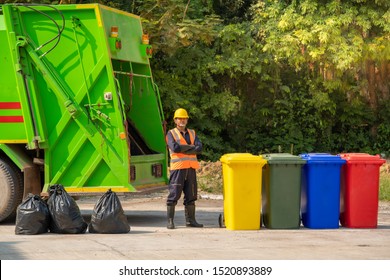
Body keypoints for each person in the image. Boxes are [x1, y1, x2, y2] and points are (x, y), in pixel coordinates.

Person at [165, 108, 203, 229]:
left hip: (190, 169)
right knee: (174, 194)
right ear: (175, 120)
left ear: (187, 120)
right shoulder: (171, 133)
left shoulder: (192, 133)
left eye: (184, 118)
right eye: (180, 118)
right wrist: (191, 148)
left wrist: (184, 148)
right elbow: (175, 148)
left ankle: (191, 221)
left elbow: (199, 148)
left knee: (191, 195)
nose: (182, 120)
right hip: (178, 169)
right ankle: (170, 221)